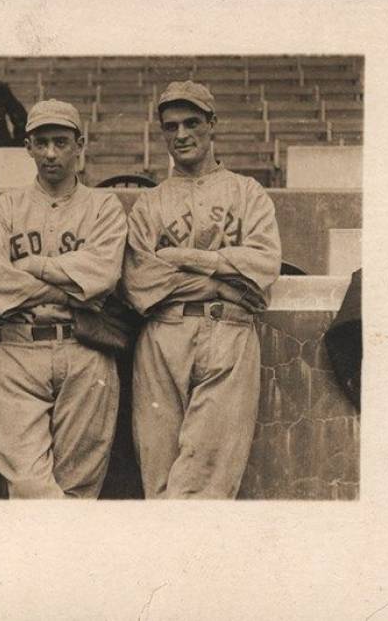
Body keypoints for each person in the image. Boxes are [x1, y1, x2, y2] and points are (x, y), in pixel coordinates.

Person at [121, 81, 282, 499]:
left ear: (212, 124)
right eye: (171, 126)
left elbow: (263, 266)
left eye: (192, 123)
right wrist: (220, 281)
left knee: (205, 483)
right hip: (163, 335)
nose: (181, 135)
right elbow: (140, 283)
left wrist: (185, 258)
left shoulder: (248, 193)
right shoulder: (149, 204)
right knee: (158, 480)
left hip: (228, 335)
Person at [0, 99, 127, 499]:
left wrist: (32, 266)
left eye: (61, 142)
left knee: (79, 490)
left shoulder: (104, 206)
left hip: (84, 350)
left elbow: (104, 275)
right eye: (41, 143)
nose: (51, 153)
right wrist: (72, 285)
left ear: (80, 144)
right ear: (28, 146)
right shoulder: (7, 207)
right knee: (28, 488)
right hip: (16, 351)